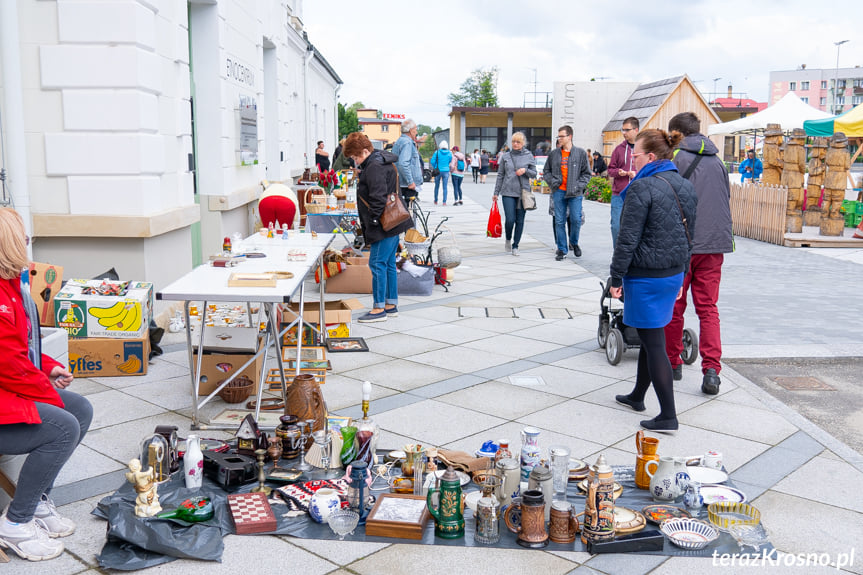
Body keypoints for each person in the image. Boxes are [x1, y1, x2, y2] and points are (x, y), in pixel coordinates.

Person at [0, 208, 93, 562]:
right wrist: (48, 391)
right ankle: (15, 522)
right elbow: (10, 366)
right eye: (21, 238)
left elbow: (23, 349)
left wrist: (49, 369)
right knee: (63, 425)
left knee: (80, 408)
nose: (27, 243)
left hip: (7, 393)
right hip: (5, 393)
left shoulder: (11, 287)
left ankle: (35, 501)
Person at [610, 129, 697, 431]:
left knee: (654, 343)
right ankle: (637, 395)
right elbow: (690, 236)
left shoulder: (642, 187)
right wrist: (683, 275)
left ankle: (668, 415)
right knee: (651, 337)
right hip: (672, 274)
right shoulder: (685, 186)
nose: (631, 161)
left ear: (650, 156)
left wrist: (615, 276)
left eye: (635, 155)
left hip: (645, 276)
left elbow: (627, 238)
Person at [663, 113, 733, 395]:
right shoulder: (719, 162)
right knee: (708, 308)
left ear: (677, 133)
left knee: (674, 305)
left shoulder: (676, 159)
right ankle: (712, 370)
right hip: (715, 244)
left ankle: (673, 362)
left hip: (684, 243)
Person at [343, 133, 413, 323]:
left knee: (376, 263)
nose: (355, 161)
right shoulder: (382, 161)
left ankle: (378, 308)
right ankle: (390, 305)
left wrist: (373, 222)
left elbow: (377, 197)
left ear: (365, 151)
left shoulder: (374, 166)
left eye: (356, 157)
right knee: (388, 263)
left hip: (383, 224)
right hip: (394, 221)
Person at [543, 125, 591, 260]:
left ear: (569, 136)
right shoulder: (554, 154)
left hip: (575, 193)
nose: (559, 138)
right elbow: (546, 171)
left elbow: (586, 174)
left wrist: (578, 186)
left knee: (576, 219)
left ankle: (574, 242)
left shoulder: (580, 153)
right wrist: (553, 183)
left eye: (562, 136)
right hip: (559, 192)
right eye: (558, 136)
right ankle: (562, 249)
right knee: (559, 221)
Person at [493, 132, 537, 256]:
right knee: (510, 219)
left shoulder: (529, 156)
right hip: (507, 191)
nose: (515, 144)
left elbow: (534, 173)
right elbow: (500, 175)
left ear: (523, 143)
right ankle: (508, 238)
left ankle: (515, 245)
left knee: (520, 220)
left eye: (518, 142)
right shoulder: (506, 156)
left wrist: (525, 170)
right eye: (513, 142)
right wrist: (496, 192)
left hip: (523, 192)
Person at [608, 116, 640, 248]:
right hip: (619, 194)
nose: (624, 133)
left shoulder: (644, 148)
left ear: (636, 130)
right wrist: (619, 172)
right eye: (623, 130)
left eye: (627, 130)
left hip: (638, 194)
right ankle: (618, 255)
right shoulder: (619, 149)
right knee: (616, 226)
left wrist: (636, 175)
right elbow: (610, 170)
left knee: (636, 227)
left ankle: (633, 257)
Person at [391, 119, 423, 201]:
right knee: (408, 211)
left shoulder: (400, 141)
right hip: (407, 186)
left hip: (401, 183)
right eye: (415, 129)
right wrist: (410, 182)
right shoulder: (407, 142)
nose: (416, 132)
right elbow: (403, 163)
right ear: (411, 130)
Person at [430, 141, 453, 205]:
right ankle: (444, 201)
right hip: (446, 170)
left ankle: (436, 200)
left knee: (436, 186)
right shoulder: (449, 153)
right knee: (445, 187)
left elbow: (432, 161)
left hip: (438, 171)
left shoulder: (437, 152)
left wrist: (435, 166)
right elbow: (450, 160)